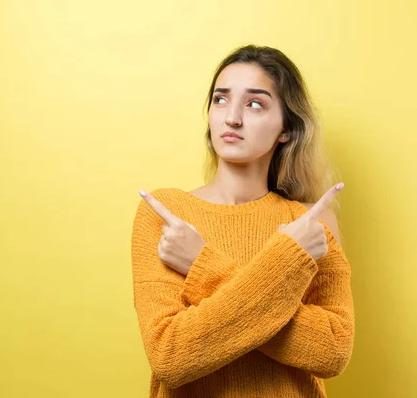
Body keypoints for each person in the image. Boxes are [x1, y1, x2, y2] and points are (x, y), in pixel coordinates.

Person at [130, 44, 354, 398]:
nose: (232, 117)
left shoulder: (309, 223)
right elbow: (171, 356)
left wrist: (202, 266)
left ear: (286, 129)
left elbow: (331, 352)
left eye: (255, 104)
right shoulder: (168, 214)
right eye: (221, 100)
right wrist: (286, 262)